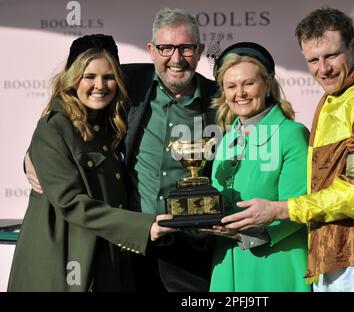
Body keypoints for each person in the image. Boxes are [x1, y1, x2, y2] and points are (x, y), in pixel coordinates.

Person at [221, 7, 354, 292]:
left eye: (331, 56)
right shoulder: (331, 100)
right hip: (329, 259)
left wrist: (279, 209)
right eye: (313, 60)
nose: (322, 68)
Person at [25, 8, 217, 292]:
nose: (175, 58)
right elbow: (68, 104)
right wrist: (32, 156)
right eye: (165, 47)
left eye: (186, 48)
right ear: (151, 50)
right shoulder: (127, 82)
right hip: (127, 248)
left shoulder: (220, 99)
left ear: (200, 50)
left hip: (189, 252)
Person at [8, 34, 157, 292]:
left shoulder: (112, 123)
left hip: (108, 258)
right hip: (63, 264)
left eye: (109, 77)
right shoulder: (54, 127)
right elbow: (71, 202)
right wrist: (143, 227)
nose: (100, 85)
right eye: (89, 77)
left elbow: (160, 73)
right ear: (73, 78)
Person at [203, 42, 310, 292]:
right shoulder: (226, 139)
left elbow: (299, 208)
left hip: (275, 268)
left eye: (248, 83)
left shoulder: (292, 134)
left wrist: (246, 234)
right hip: (225, 266)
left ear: (267, 84)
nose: (239, 93)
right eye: (231, 86)